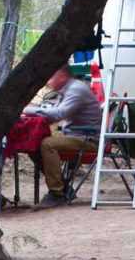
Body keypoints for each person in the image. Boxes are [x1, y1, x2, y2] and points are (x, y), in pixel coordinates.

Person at [33, 64, 100, 207]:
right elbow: (54, 115)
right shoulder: (67, 89)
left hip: (88, 138)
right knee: (34, 144)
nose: (48, 80)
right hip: (77, 134)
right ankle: (63, 187)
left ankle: (56, 193)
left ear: (62, 75)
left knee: (47, 144)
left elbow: (59, 114)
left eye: (52, 76)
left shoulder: (76, 89)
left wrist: (29, 110)